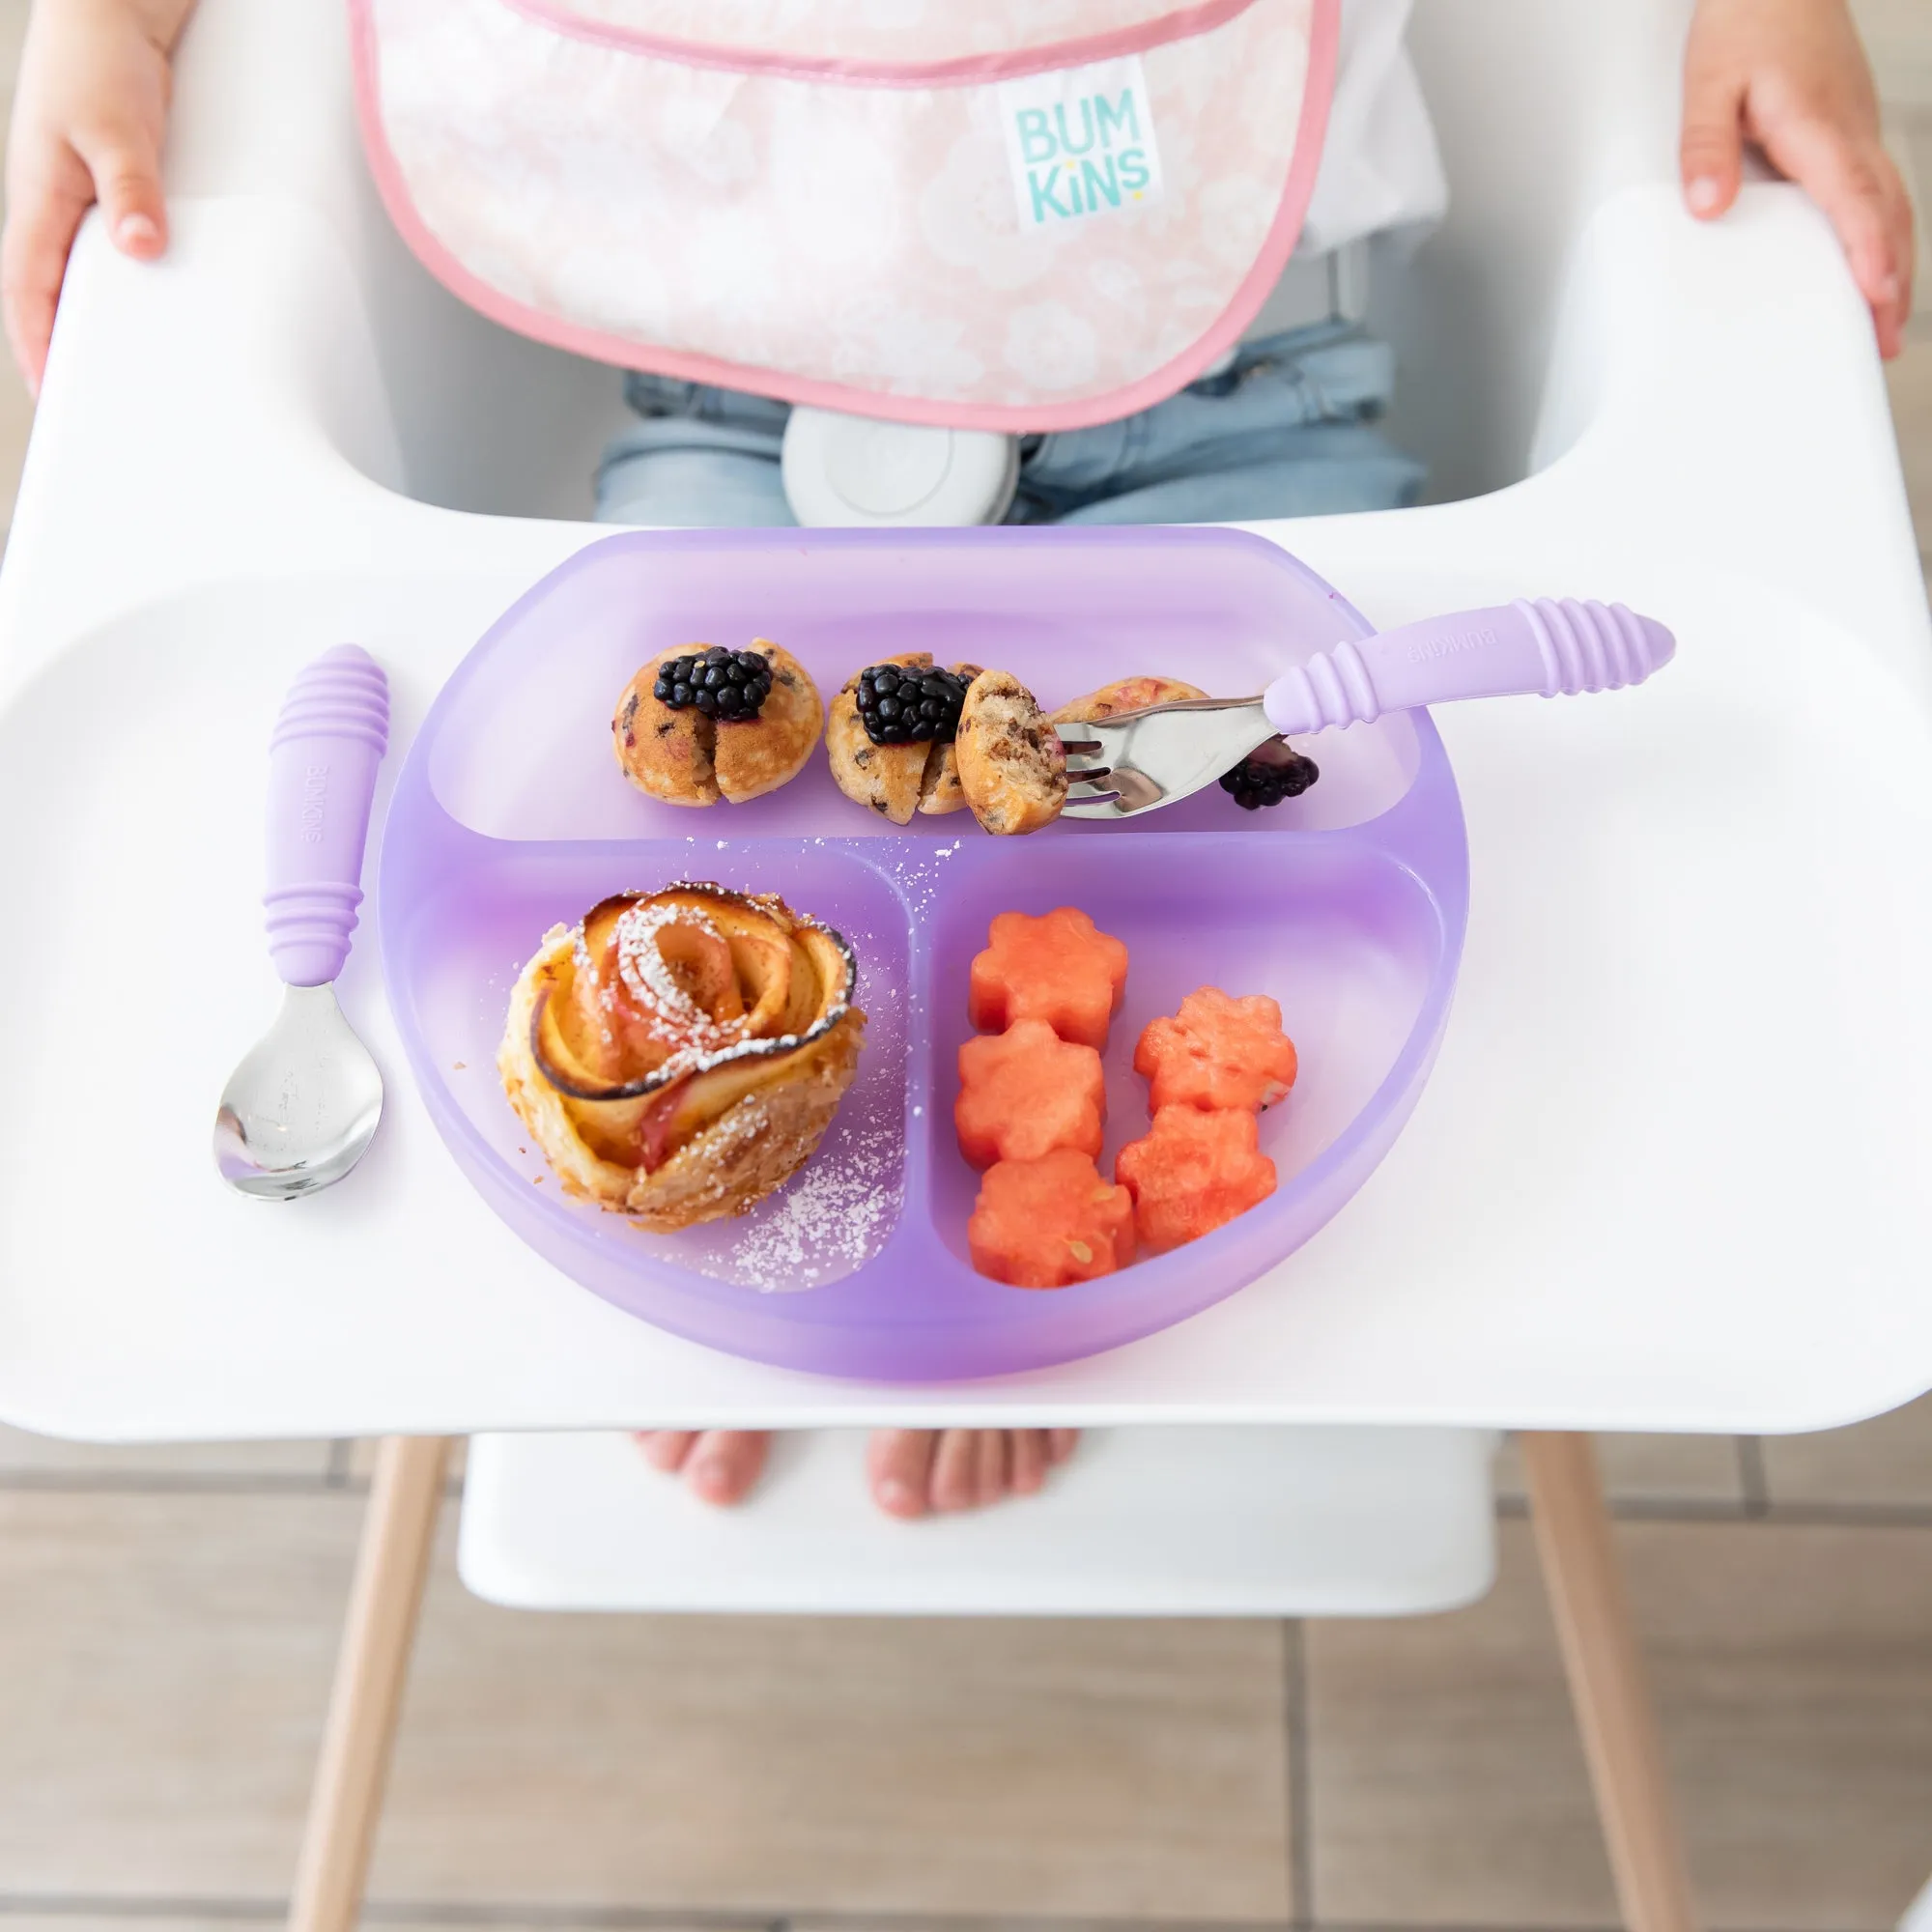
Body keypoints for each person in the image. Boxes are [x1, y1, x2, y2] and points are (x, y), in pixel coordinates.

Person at [6, 0, 1915, 1517]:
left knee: (1316, 833)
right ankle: (759, 1284)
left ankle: (1070, 1283)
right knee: (631, 872)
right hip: (735, 372)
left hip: (1239, 376)